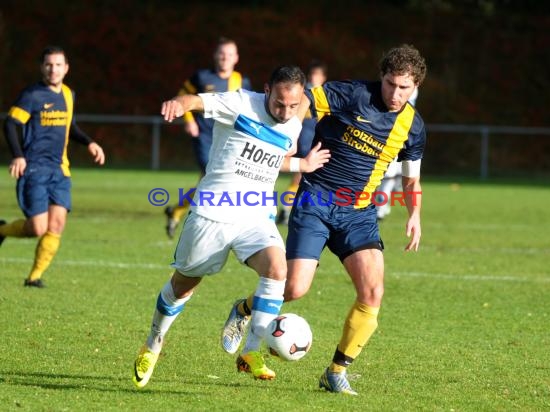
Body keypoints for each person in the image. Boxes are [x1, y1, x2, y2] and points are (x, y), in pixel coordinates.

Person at [221, 44, 427, 395]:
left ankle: (335, 372)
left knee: (373, 292)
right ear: (382, 77)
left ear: (416, 86)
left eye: (403, 88)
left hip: (358, 213)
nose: (395, 93)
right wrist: (288, 137)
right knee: (295, 289)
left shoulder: (413, 126)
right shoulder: (352, 93)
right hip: (315, 200)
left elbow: (410, 178)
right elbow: (302, 101)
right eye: (391, 84)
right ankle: (242, 308)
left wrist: (414, 214)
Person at [132, 65, 330, 389]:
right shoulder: (240, 103)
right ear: (267, 90)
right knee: (184, 284)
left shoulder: (292, 122)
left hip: (255, 215)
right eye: (280, 104)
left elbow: (271, 157)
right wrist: (178, 104)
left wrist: (302, 164)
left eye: (293, 106)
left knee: (278, 270)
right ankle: (154, 342)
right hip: (213, 213)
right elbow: (195, 101)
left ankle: (251, 352)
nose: (285, 112)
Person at [0, 45, 105, 288]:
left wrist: (89, 143)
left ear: (66, 69)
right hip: (34, 169)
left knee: (56, 225)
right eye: (48, 64)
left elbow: (71, 126)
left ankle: (34, 277)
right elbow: (10, 123)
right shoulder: (32, 95)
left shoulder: (68, 94)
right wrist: (18, 156)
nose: (53, 69)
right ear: (42, 67)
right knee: (38, 228)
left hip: (60, 169)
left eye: (58, 65)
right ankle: (3, 230)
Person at [164, 37, 252, 238]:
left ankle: (177, 210)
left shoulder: (242, 81)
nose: (225, 58)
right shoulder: (201, 77)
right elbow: (181, 97)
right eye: (222, 53)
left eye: (229, 54)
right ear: (215, 55)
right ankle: (209, 223)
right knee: (211, 176)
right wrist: (189, 120)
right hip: (204, 135)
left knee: (208, 180)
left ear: (236, 58)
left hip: (230, 138)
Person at [277, 59, 327, 224]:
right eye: (312, 74)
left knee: (303, 177)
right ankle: (287, 208)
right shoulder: (302, 96)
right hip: (304, 141)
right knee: (301, 175)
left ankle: (291, 209)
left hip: (316, 141)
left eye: (318, 75)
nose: (314, 78)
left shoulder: (326, 97)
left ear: (323, 78)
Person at [375, 86, 419, 220]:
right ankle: (380, 208)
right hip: (390, 137)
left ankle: (382, 206)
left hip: (401, 138)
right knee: (388, 176)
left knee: (399, 177)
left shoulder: (410, 92)